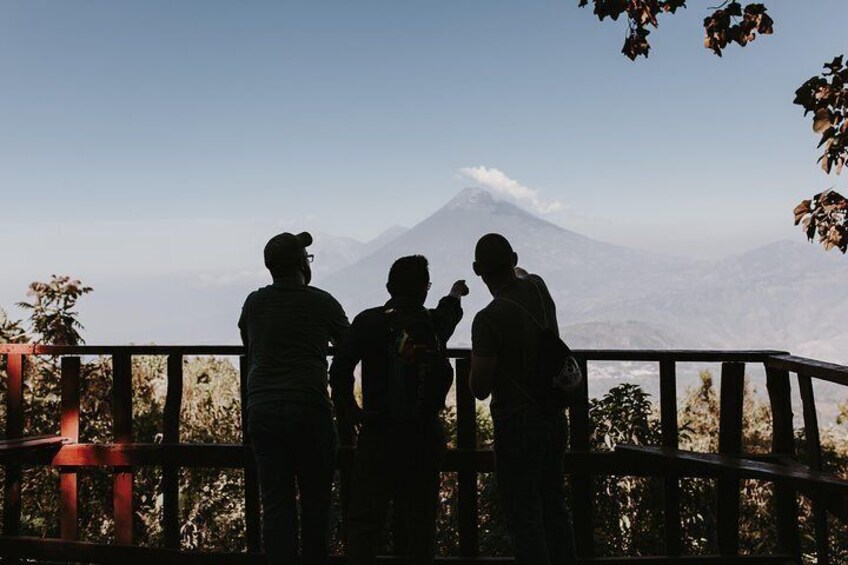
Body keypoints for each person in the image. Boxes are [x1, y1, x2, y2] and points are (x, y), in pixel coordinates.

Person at [329, 255, 468, 565]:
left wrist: (351, 413)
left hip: (377, 432)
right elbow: (449, 311)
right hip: (423, 434)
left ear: (389, 286)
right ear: (424, 290)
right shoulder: (432, 324)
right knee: (419, 521)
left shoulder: (369, 322)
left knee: (365, 521)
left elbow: (339, 371)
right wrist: (457, 293)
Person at [239, 231, 350, 565]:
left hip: (263, 409)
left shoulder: (254, 303)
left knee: (276, 505)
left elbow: (249, 344)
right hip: (308, 406)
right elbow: (348, 345)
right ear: (302, 264)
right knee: (316, 503)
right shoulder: (321, 302)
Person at [468, 233, 577, 565]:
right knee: (554, 506)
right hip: (554, 415)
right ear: (514, 259)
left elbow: (480, 387)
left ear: (476, 270)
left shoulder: (488, 319)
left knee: (524, 515)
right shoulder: (538, 289)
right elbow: (524, 274)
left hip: (517, 422)